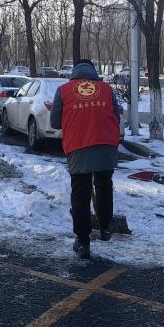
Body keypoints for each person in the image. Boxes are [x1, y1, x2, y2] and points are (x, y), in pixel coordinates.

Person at [50, 59, 122, 260]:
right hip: (107, 144)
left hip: (79, 145)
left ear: (74, 72)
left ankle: (83, 242)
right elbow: (116, 117)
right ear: (93, 71)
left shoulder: (63, 90)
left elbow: (55, 122)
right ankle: (106, 226)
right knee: (104, 185)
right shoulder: (107, 89)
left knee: (81, 192)